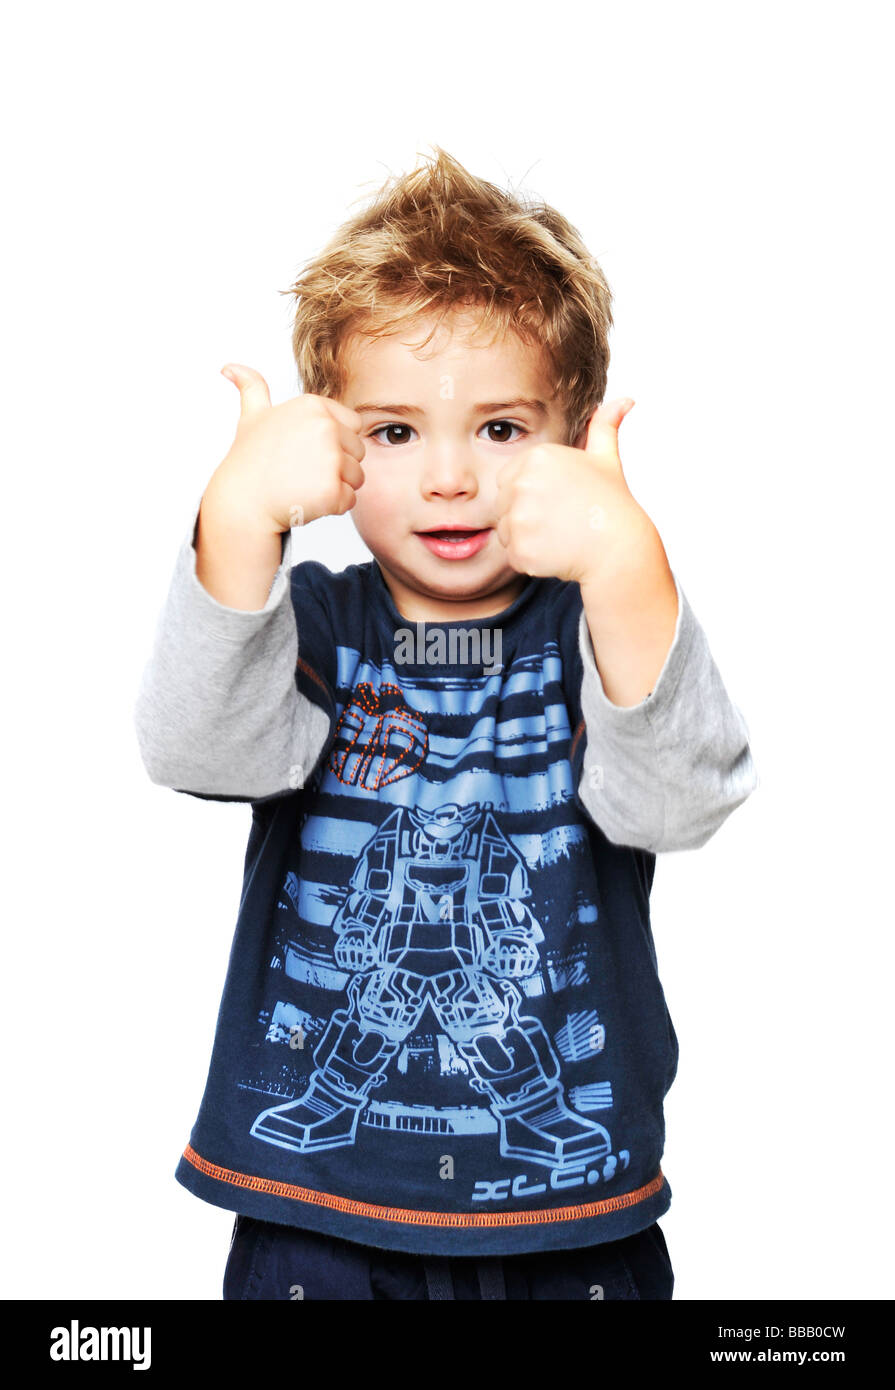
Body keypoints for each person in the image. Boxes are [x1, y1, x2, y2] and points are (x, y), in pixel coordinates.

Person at [134, 146, 757, 1301]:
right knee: (363, 1029)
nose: (451, 479)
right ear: (329, 442)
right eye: (395, 432)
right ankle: (329, 1098)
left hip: (568, 1233)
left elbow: (678, 801)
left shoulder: (598, 631)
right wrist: (235, 522)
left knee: (504, 1046)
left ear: (571, 430)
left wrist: (626, 559)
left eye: (503, 429)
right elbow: (199, 745)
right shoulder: (306, 628)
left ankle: (534, 1120)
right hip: (315, 1218)